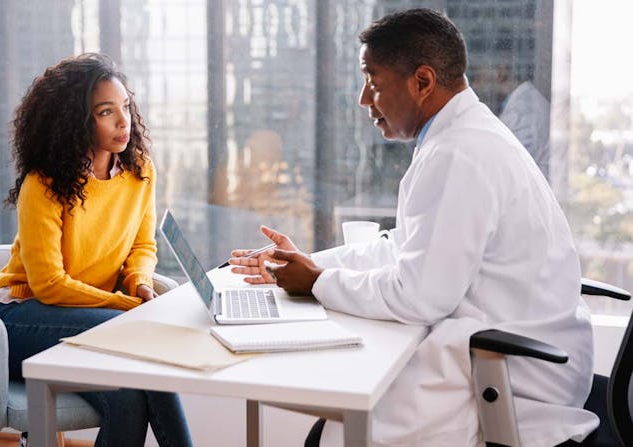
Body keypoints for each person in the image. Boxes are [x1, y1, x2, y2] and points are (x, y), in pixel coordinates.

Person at [228, 9, 596, 447]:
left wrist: (318, 282)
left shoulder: (459, 153)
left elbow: (421, 296)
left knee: (339, 432)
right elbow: (405, 247)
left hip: (514, 378)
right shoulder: (462, 136)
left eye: (375, 82)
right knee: (340, 417)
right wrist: (311, 266)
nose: (365, 99)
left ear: (422, 82)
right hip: (518, 352)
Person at [0, 53, 193, 447]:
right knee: (140, 337)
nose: (123, 121)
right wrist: (126, 307)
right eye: (105, 112)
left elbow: (142, 245)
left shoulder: (139, 171)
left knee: (129, 398)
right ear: (76, 121)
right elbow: (48, 285)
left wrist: (139, 282)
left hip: (93, 318)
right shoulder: (43, 184)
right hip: (18, 320)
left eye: (126, 107)